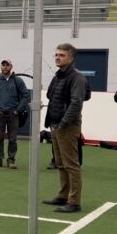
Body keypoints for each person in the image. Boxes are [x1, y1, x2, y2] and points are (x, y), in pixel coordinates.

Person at [42, 43, 87, 213]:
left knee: (71, 165)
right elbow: (51, 95)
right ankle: (63, 195)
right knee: (60, 163)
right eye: (56, 54)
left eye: (61, 55)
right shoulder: (58, 76)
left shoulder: (77, 78)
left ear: (71, 58)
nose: (57, 57)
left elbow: (77, 102)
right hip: (55, 125)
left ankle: (74, 202)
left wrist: (63, 123)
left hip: (67, 126)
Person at [0, 59, 30, 169]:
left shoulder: (18, 81)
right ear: (0, 66)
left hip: (13, 114)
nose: (5, 67)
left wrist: (18, 110)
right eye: (3, 65)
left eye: (7, 65)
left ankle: (11, 160)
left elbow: (25, 95)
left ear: (11, 66)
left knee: (12, 139)